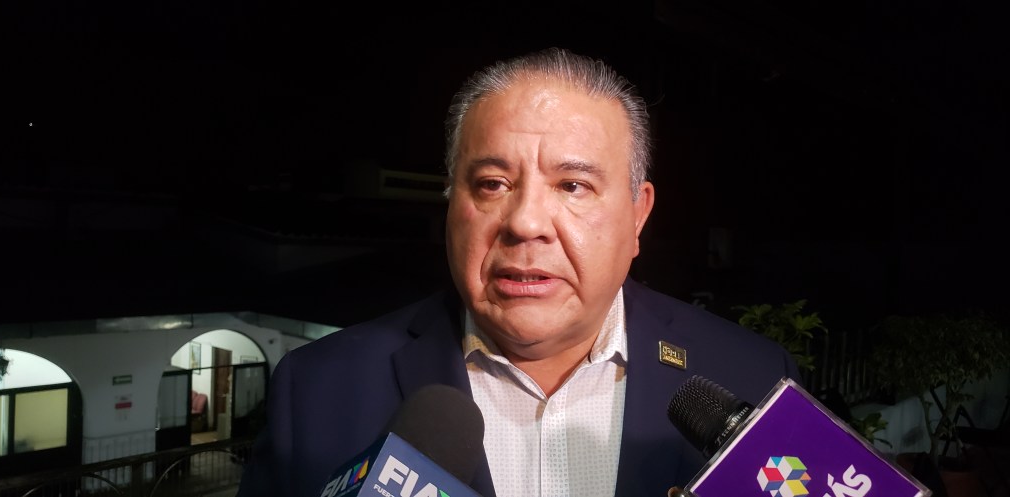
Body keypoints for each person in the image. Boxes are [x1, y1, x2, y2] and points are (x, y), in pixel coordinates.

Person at [236, 47, 800, 497]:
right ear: (450, 203)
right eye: (492, 184)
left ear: (638, 215)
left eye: (572, 185)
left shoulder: (755, 381)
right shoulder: (317, 390)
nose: (525, 223)